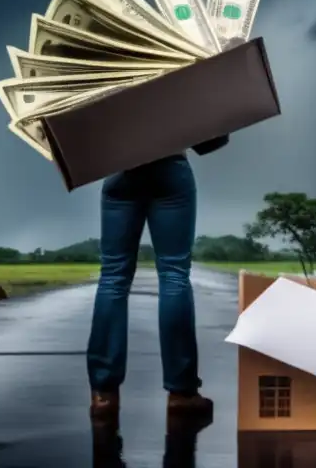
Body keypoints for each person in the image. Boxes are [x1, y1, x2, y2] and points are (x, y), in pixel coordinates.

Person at [86, 134, 229, 423]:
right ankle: (181, 393)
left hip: (121, 169)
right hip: (170, 166)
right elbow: (210, 139)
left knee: (113, 277)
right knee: (174, 275)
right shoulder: (179, 85)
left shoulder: (108, 85)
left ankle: (104, 393)